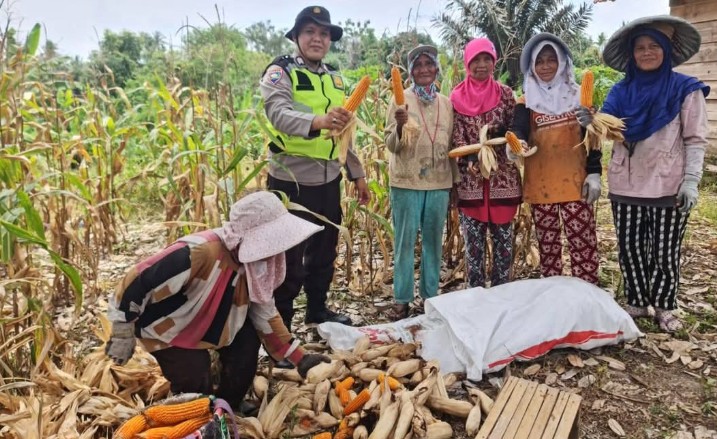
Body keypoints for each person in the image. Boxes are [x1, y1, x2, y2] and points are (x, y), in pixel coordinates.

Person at [105, 191, 331, 407]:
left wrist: (300, 359)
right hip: (171, 329)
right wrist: (122, 328)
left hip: (220, 325)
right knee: (194, 380)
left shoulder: (258, 265)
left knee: (246, 351)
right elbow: (138, 279)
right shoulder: (200, 251)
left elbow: (267, 316)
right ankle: (195, 412)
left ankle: (228, 406)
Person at [259, 6, 371, 336]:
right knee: (288, 259)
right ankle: (282, 328)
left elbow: (344, 132)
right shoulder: (281, 71)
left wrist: (357, 173)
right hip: (290, 181)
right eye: (310, 32)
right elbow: (278, 114)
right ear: (296, 36)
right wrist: (317, 121)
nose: (317, 39)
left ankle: (317, 310)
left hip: (328, 180)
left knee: (325, 250)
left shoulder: (334, 77)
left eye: (324, 34)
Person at [600, 16, 709, 332]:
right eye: (640, 48)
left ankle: (664, 304)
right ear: (632, 54)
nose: (646, 53)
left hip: (668, 182)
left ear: (665, 50)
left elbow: (695, 139)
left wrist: (691, 180)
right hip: (626, 183)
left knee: (664, 250)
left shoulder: (684, 89)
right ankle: (636, 300)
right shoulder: (621, 92)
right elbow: (606, 126)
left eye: (653, 46)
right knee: (630, 247)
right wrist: (590, 121)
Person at [509, 33, 602, 285]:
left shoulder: (577, 97)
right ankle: (555, 297)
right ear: (532, 66)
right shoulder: (526, 101)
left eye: (551, 59)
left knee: (583, 246)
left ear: (562, 62)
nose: (546, 66)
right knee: (549, 250)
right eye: (540, 61)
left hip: (576, 184)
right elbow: (518, 130)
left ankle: (588, 295)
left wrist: (594, 172)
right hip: (541, 187)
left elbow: (593, 139)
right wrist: (516, 144)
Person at [383, 45, 459, 320]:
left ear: (437, 68)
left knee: (432, 243)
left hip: (439, 183)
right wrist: (401, 125)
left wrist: (455, 183)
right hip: (406, 182)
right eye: (418, 65)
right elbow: (391, 145)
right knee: (404, 242)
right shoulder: (399, 100)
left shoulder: (447, 103)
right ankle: (402, 299)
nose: (424, 69)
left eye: (429, 63)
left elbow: (451, 144)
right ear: (411, 71)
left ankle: (430, 297)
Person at [450, 37, 520, 288]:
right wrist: (469, 157)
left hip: (503, 178)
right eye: (475, 60)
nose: (481, 65)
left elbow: (516, 129)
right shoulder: (456, 98)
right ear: (467, 63)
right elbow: (456, 134)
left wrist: (505, 136)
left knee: (503, 244)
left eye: (486, 59)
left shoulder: (506, 94)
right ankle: (475, 294)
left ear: (494, 62)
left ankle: (502, 294)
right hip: (471, 181)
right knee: (474, 247)